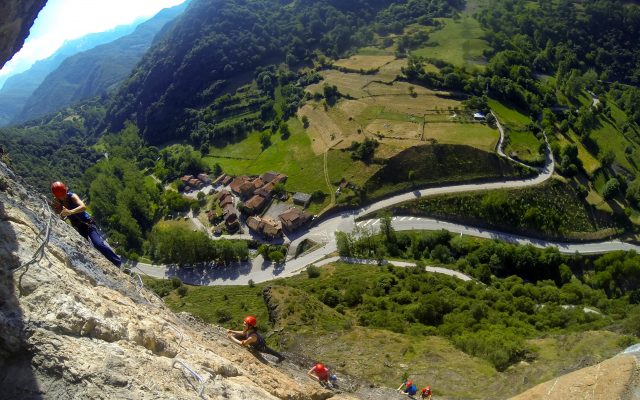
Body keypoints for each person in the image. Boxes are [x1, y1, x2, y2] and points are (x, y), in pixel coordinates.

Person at [50, 181, 122, 267]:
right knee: (85, 248)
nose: (64, 196)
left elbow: (83, 207)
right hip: (78, 227)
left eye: (64, 193)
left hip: (88, 223)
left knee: (98, 244)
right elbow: (59, 213)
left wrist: (70, 212)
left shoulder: (72, 196)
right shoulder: (58, 201)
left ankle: (117, 262)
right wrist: (60, 213)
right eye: (61, 196)